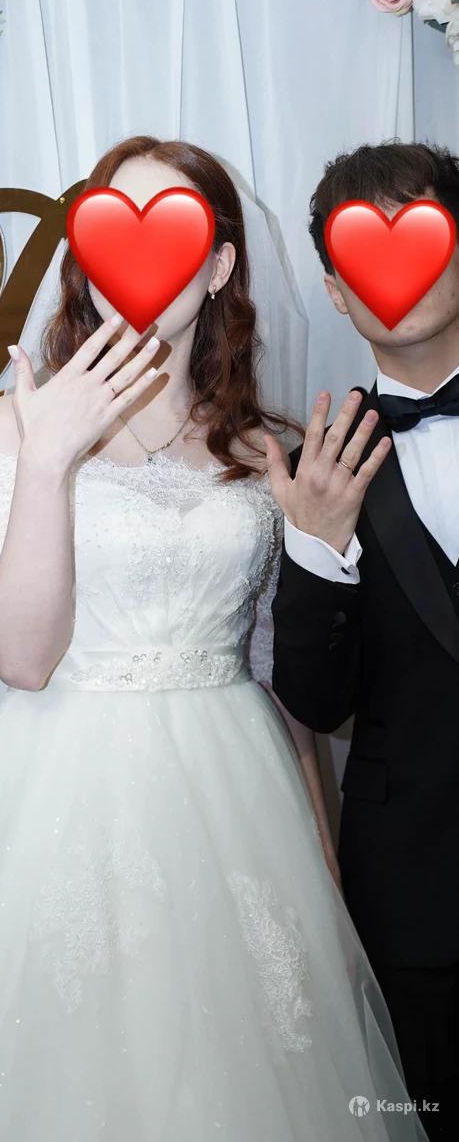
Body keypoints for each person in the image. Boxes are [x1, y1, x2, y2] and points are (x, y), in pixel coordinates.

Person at [0, 136, 428, 1141]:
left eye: (174, 231)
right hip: (65, 797)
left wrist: (322, 872)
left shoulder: (265, 450)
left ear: (220, 265)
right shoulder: (15, 425)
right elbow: (22, 659)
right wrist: (50, 461)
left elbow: (283, 685)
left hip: (241, 807)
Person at [266, 142, 459, 1142]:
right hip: (415, 891)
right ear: (338, 294)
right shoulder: (316, 467)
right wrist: (314, 548)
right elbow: (315, 700)